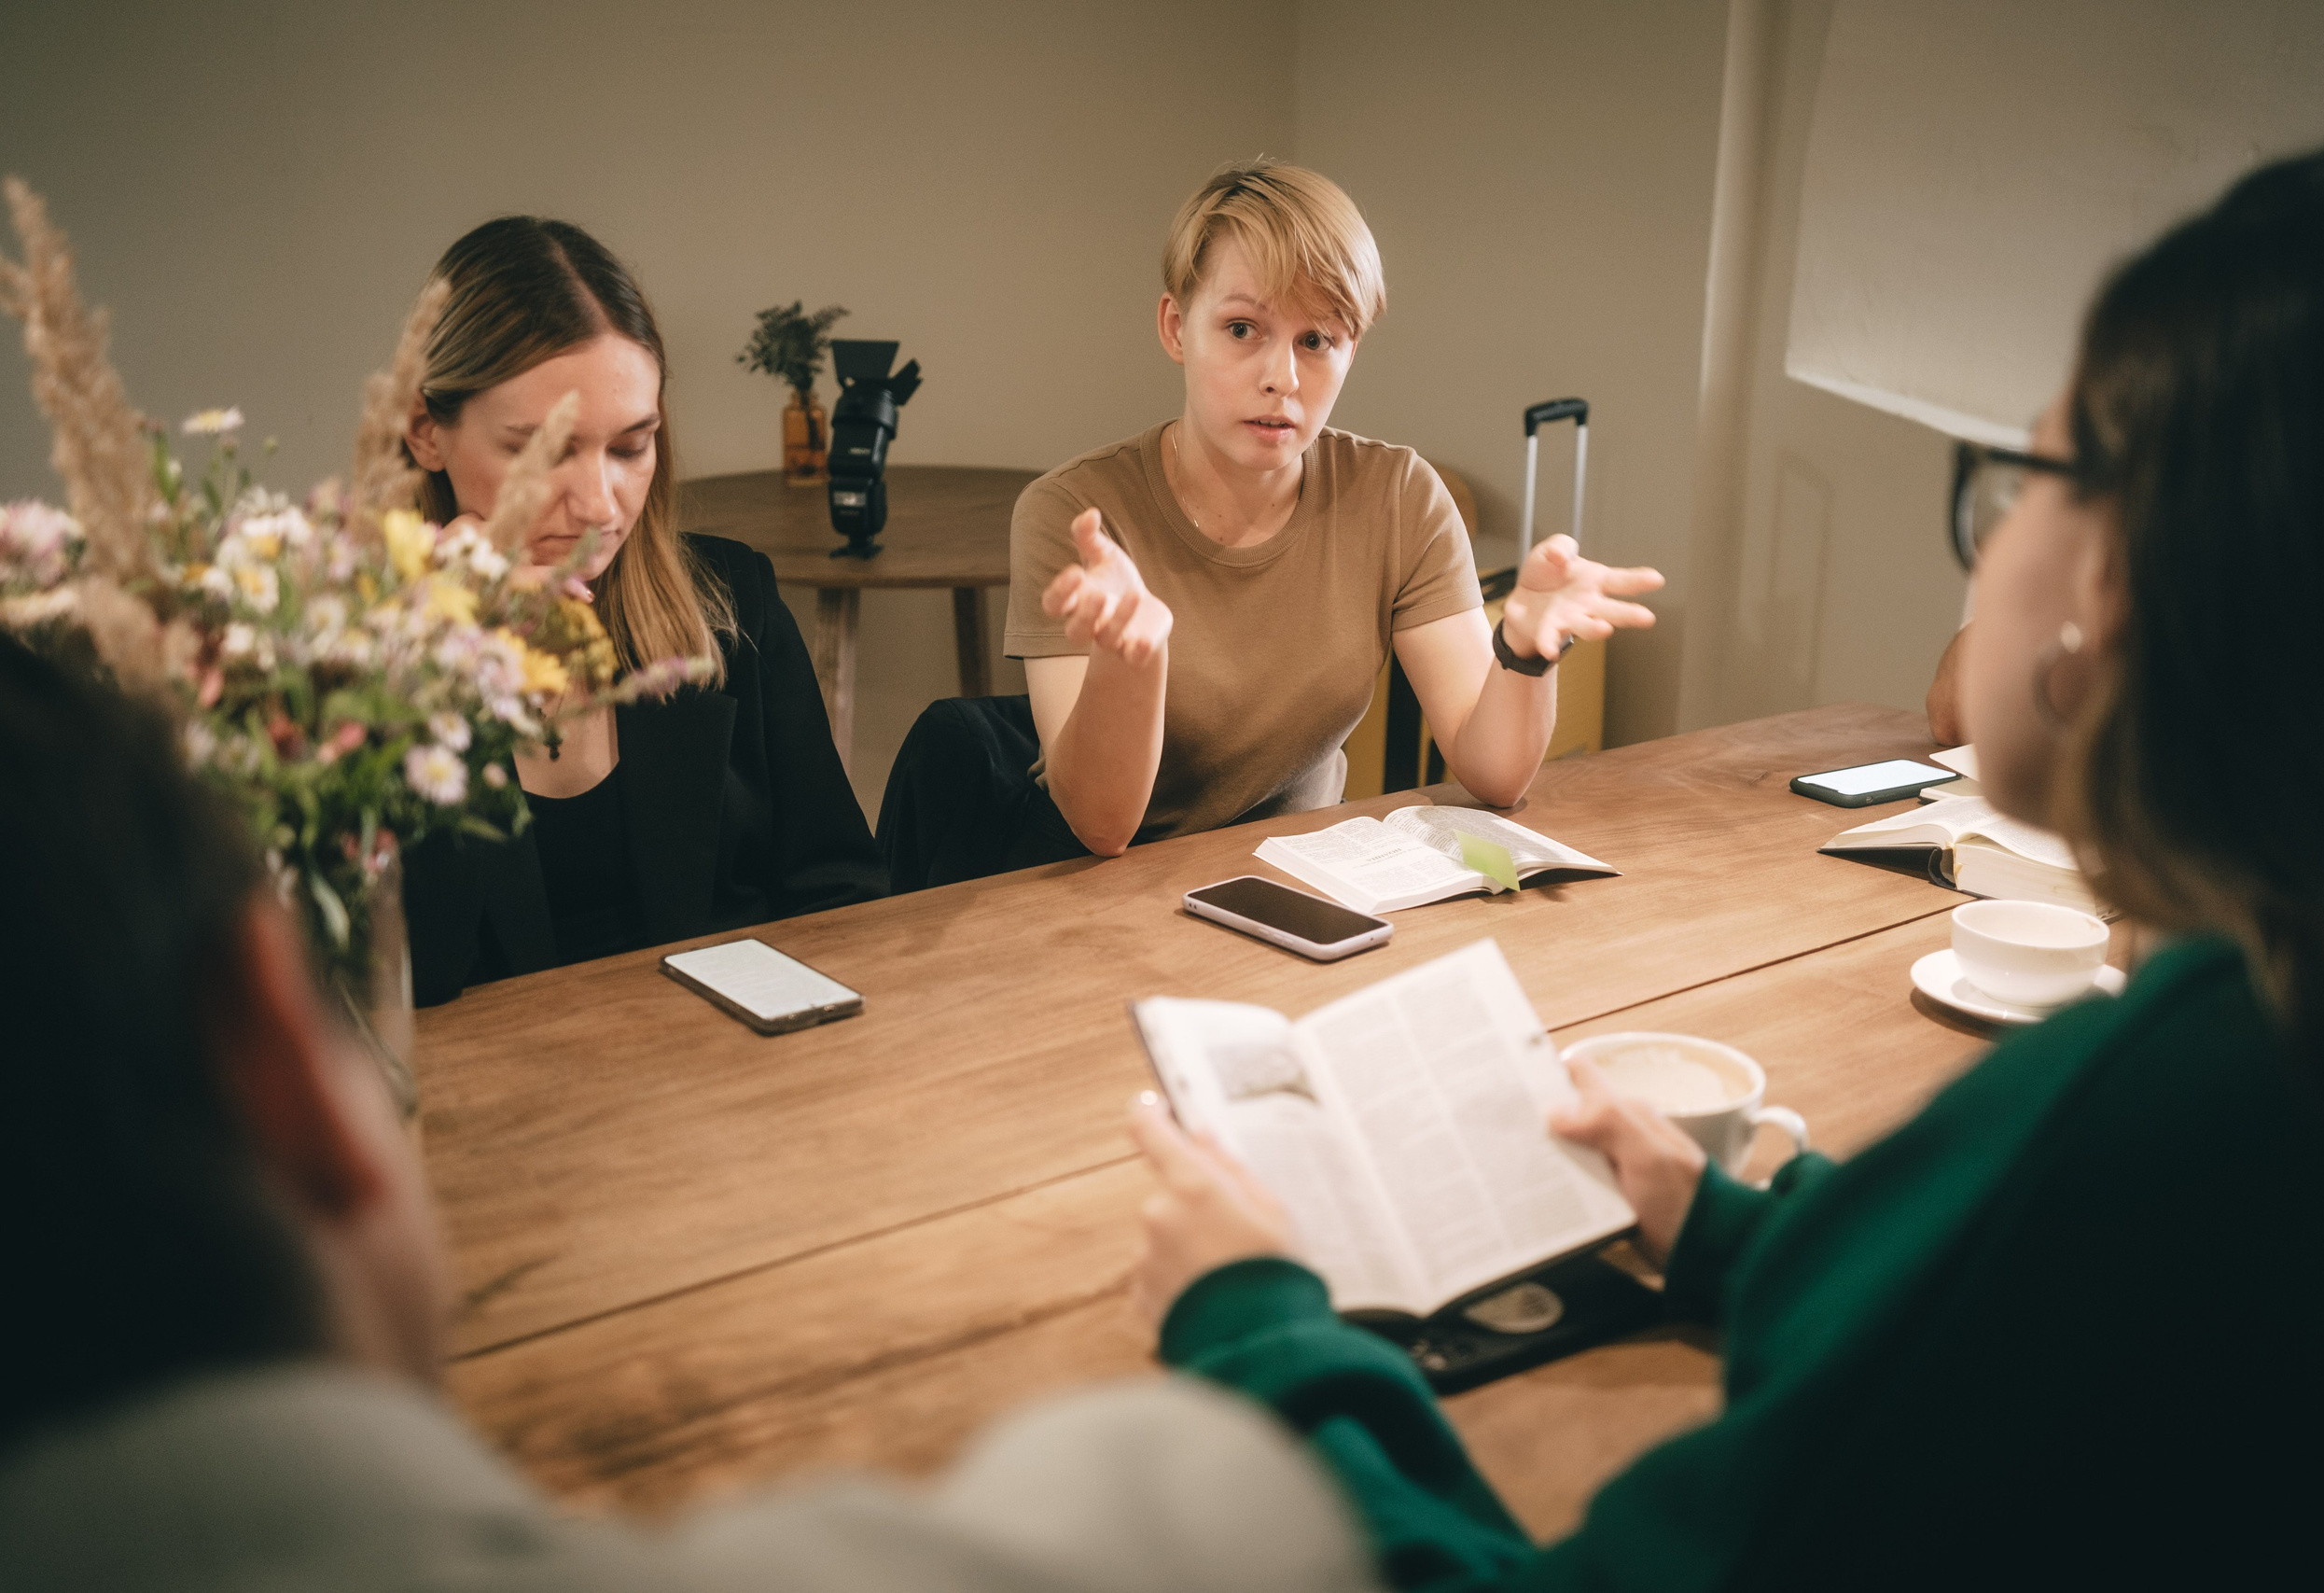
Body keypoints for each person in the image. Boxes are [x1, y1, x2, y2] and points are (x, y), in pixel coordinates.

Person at [1121, 145, 2324, 1587]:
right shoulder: (2300, 1050)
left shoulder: (2163, 1114)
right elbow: (1966, 1307)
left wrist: (1255, 1323)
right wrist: (1725, 1223)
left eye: (2030, 472)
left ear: (2145, 580)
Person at [0, 634, 1372, 1593]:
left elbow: (839, 886)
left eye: (632, 440)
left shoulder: (723, 624)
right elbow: (1234, 1503)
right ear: (284, 1055)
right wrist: (1255, 1302)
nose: (594, 487)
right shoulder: (373, 685)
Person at [1004, 161, 1666, 857]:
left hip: (1306, 879)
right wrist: (1128, 661)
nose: (1282, 378)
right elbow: (1102, 828)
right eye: (1240, 329)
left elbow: (1496, 774)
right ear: (1176, 327)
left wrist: (1525, 653)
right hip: (1099, 898)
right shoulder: (1077, 513)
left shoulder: (1398, 497)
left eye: (1316, 340)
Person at [397, 217, 883, 1004]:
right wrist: (446, 667)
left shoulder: (733, 605)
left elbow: (846, 901)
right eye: (542, 448)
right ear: (426, 432)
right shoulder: (347, 665)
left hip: (728, 1090)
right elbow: (395, 985)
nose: (598, 505)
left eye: (631, 447)